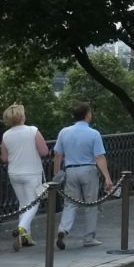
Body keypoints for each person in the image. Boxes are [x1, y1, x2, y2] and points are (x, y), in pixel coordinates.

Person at [52, 103, 112, 249]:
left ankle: (63, 229)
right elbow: (99, 157)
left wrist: (57, 173)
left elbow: (58, 155)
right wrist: (107, 178)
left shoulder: (64, 132)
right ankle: (89, 237)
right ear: (87, 114)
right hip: (88, 170)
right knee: (91, 204)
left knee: (70, 203)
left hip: (70, 170)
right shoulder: (94, 133)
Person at [0, 103, 49, 249]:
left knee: (23, 204)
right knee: (34, 203)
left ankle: (26, 238)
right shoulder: (32, 131)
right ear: (22, 116)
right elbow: (44, 151)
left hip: (14, 173)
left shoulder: (6, 135)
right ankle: (21, 228)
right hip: (31, 172)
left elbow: (4, 157)